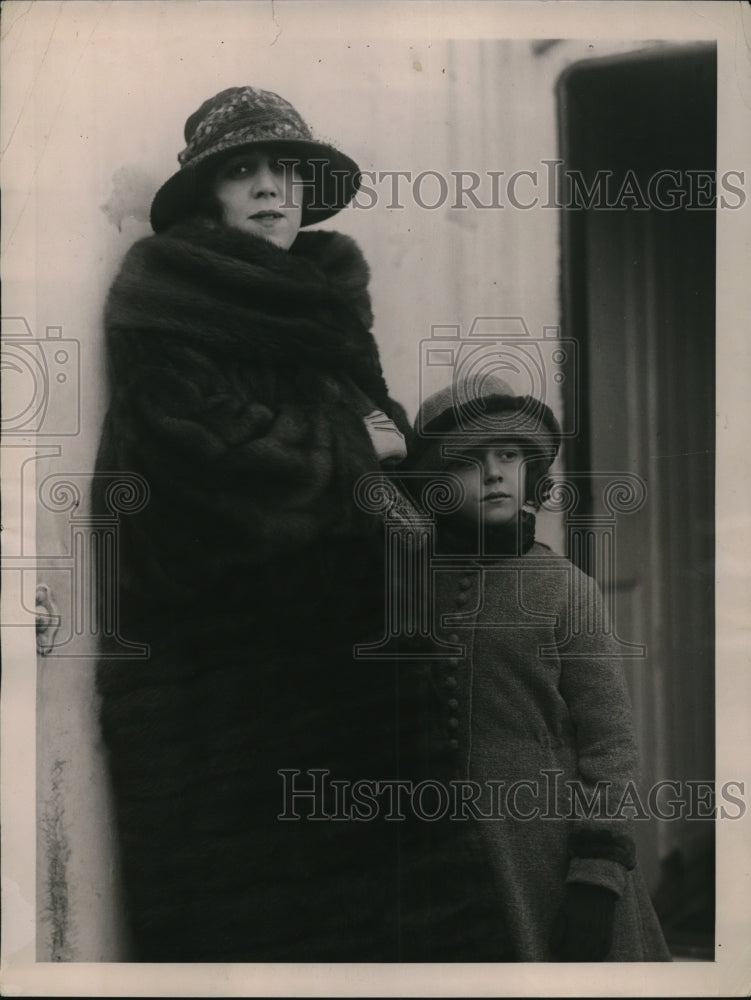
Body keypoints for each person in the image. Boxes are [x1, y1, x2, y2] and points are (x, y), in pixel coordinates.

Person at [93, 85, 422, 961]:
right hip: (228, 677)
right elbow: (194, 459)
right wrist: (357, 449)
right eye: (244, 173)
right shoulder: (169, 302)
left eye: (288, 170)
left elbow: (379, 435)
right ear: (210, 196)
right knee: (253, 932)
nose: (273, 190)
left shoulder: (324, 297)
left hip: (346, 659)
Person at [406, 375, 672, 961]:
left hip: (550, 864)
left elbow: (610, 746)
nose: (495, 472)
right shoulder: (408, 588)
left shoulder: (563, 589)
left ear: (532, 474)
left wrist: (596, 878)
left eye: (508, 455)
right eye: (468, 462)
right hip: (443, 862)